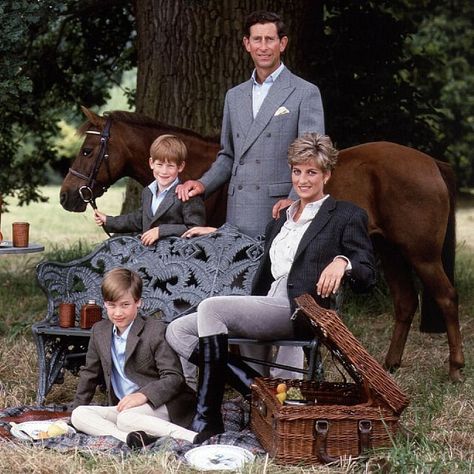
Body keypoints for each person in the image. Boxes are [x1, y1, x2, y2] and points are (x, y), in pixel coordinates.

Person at [166, 133, 377, 442]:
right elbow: (263, 253)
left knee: (211, 308)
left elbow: (368, 273)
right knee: (178, 329)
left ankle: (207, 417)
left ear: (327, 174)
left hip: (301, 307)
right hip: (268, 301)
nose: (303, 180)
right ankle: (262, 391)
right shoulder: (282, 218)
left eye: (311, 172)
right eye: (297, 171)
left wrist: (343, 262)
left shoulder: (345, 215)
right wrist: (214, 231)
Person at [176, 10, 325, 377]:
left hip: (279, 212)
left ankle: (279, 381)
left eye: (270, 39)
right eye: (256, 39)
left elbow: (312, 154)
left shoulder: (304, 92)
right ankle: (238, 373)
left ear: (282, 43)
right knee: (239, 288)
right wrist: (203, 184)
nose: (263, 46)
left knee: (271, 293)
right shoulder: (234, 96)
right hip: (239, 211)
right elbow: (228, 155)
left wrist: (295, 197)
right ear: (246, 44)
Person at [71, 268, 198, 449]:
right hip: (125, 409)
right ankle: (130, 438)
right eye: (111, 305)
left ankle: (191, 437)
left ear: (138, 302)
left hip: (162, 403)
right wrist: (74, 415)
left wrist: (143, 395)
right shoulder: (99, 331)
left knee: (126, 419)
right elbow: (89, 374)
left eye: (125, 305)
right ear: (105, 304)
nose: (117, 313)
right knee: (79, 415)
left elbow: (174, 377)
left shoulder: (155, 330)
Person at [94, 134, 205, 245]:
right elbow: (138, 219)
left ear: (180, 167)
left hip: (175, 259)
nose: (164, 171)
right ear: (151, 163)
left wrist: (160, 231)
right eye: (159, 164)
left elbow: (195, 229)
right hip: (148, 256)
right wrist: (109, 221)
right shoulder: (148, 192)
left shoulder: (187, 194)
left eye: (170, 166)